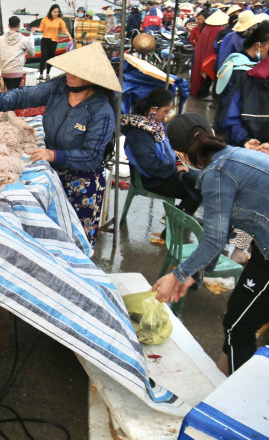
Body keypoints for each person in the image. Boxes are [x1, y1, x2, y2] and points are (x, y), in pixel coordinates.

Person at [154, 112, 269, 376]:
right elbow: (224, 230)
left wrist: (177, 274)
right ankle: (224, 378)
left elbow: (215, 238)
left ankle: (239, 400)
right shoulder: (232, 156)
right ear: (211, 134)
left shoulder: (216, 173)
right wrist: (192, 275)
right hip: (263, 250)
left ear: (181, 154)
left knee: (238, 327)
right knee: (236, 316)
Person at [0, 42, 120, 247]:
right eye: (69, 68)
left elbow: (92, 155)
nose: (69, 73)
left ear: (92, 78)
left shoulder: (101, 111)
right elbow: (26, 95)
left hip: (82, 181)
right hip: (52, 170)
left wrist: (54, 155)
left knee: (75, 237)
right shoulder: (59, 87)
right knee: (49, 231)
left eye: (76, 71)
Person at [121, 89, 201, 221]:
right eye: (166, 111)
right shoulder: (139, 133)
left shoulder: (154, 126)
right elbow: (149, 164)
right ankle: (173, 229)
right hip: (153, 180)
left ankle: (181, 220)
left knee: (202, 180)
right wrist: (175, 168)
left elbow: (165, 151)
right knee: (196, 190)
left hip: (163, 173)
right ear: (153, 109)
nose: (167, 115)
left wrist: (179, 161)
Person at [214, 20, 269, 146]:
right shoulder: (241, 71)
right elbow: (229, 106)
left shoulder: (235, 59)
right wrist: (243, 138)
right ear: (258, 45)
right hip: (234, 136)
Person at [0, 16, 35, 90]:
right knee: (13, 92)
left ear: (9, 26)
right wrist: (31, 40)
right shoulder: (24, 39)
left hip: (5, 71)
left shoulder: (1, 38)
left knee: (9, 91)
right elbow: (32, 54)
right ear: (19, 26)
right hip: (17, 71)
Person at [191, 9, 228, 97]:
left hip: (199, 54)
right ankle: (204, 93)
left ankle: (197, 92)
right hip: (211, 56)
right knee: (209, 76)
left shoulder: (206, 28)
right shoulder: (221, 29)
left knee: (197, 74)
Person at [33, 4, 73, 79]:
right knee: (44, 57)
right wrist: (36, 29)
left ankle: (48, 73)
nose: (56, 14)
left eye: (57, 12)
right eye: (54, 12)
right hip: (45, 40)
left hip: (54, 41)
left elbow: (64, 30)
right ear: (51, 11)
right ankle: (41, 74)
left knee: (50, 58)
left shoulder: (59, 20)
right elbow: (42, 29)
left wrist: (69, 36)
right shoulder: (45, 19)